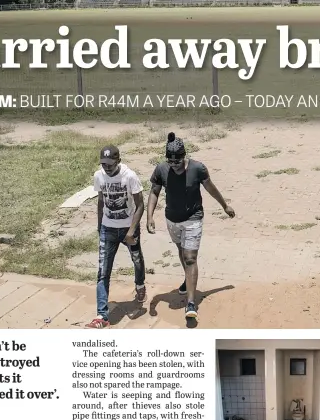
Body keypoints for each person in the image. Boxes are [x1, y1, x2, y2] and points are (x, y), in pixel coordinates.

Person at [147, 132, 235, 321]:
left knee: (190, 257)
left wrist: (225, 205)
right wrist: (149, 217)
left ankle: (191, 303)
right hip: (172, 219)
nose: (174, 163)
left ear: (184, 155)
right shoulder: (161, 170)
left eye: (177, 159)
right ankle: (188, 282)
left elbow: (210, 188)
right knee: (181, 251)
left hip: (193, 218)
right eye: (170, 160)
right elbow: (154, 192)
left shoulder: (197, 168)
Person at [86, 145, 147, 329]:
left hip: (129, 228)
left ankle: (140, 285)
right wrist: (99, 227)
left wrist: (131, 231)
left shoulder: (130, 176)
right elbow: (100, 201)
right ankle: (102, 315)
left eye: (110, 164)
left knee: (137, 260)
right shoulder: (99, 176)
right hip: (108, 229)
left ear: (118, 161)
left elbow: (140, 205)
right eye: (104, 164)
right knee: (103, 271)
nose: (107, 168)